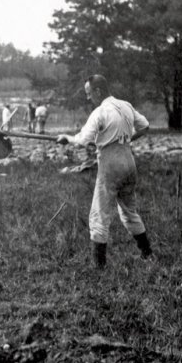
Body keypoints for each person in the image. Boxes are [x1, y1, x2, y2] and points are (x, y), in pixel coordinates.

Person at [56, 74, 152, 268]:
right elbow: (145, 126)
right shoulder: (126, 105)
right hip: (129, 162)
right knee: (129, 211)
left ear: (98, 91)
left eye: (89, 93)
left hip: (111, 165)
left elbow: (83, 140)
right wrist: (124, 141)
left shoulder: (100, 112)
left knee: (99, 215)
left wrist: (67, 137)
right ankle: (147, 253)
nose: (88, 97)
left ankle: (99, 267)